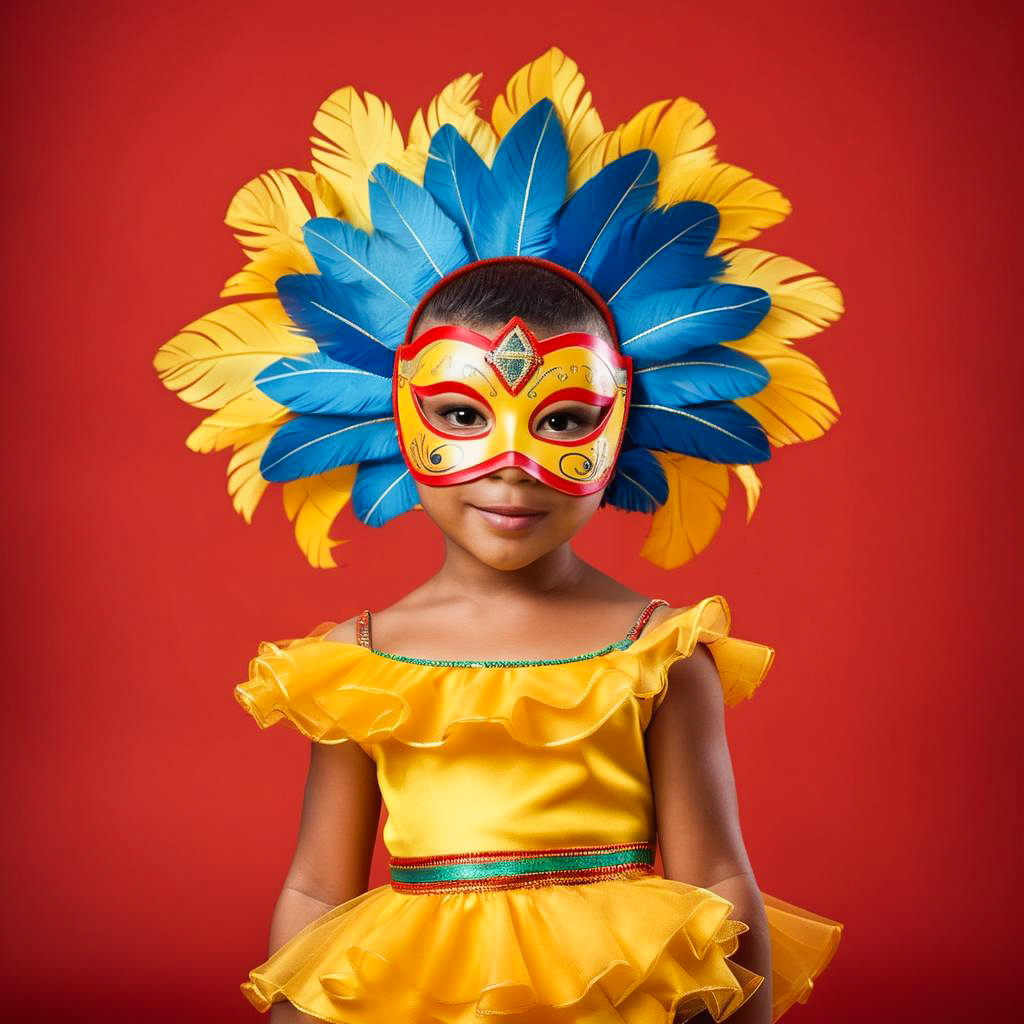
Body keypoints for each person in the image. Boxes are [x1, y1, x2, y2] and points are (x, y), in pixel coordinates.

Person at [154, 49, 845, 1023]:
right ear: (392, 421)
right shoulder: (356, 663)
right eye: (462, 415)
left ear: (626, 426)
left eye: (563, 419)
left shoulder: (659, 652)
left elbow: (719, 884)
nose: (512, 461)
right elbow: (317, 889)